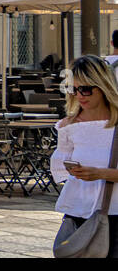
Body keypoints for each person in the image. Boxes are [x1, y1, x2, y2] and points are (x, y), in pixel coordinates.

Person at [50, 55, 118, 257]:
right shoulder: (68, 126)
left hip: (115, 214)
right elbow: (60, 170)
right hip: (78, 213)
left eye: (86, 89)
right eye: (74, 88)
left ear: (103, 86)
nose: (80, 95)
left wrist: (100, 173)